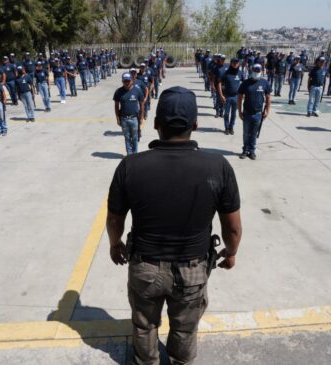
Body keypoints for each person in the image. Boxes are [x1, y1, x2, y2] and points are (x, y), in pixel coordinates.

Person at [106, 86, 242, 365]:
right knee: (185, 327)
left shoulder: (130, 166)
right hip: (192, 269)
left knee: (145, 325)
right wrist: (231, 251)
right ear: (195, 124)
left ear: (156, 124)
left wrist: (115, 243)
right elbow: (233, 227)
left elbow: (114, 218)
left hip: (145, 268)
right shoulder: (218, 166)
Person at [237, 64, 272, 160]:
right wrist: (239, 111)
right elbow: (239, 97)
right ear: (252, 71)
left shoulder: (264, 83)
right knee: (246, 133)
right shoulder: (245, 83)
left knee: (254, 134)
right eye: (255, 70)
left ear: (261, 71)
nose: (256, 72)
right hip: (247, 113)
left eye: (258, 71)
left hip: (258, 114)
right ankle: (245, 150)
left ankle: (252, 151)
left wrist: (267, 111)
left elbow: (268, 98)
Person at [113, 73, 144, 155]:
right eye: (125, 81)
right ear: (122, 81)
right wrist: (117, 119)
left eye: (128, 81)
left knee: (135, 138)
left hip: (134, 119)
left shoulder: (137, 90)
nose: (126, 83)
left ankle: (135, 154)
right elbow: (116, 106)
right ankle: (129, 155)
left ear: (132, 81)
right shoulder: (118, 91)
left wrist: (141, 118)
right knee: (127, 138)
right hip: (124, 119)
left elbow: (142, 104)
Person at [218, 58, 244, 135]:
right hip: (227, 97)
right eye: (233, 62)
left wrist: (243, 94)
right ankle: (226, 128)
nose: (235, 64)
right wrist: (221, 95)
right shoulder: (226, 73)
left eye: (237, 62)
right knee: (226, 113)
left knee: (234, 114)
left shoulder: (240, 73)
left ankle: (231, 127)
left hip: (236, 97)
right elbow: (219, 82)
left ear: (238, 64)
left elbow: (244, 83)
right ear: (231, 63)